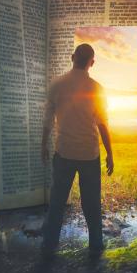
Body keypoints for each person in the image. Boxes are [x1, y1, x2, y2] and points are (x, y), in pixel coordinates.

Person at [40, 43, 113, 258]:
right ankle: (96, 244)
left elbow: (47, 120)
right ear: (92, 63)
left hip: (63, 152)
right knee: (91, 202)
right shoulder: (97, 88)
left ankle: (49, 243)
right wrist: (109, 153)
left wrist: (43, 145)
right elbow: (102, 123)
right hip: (89, 153)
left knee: (57, 201)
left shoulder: (57, 84)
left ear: (72, 57)